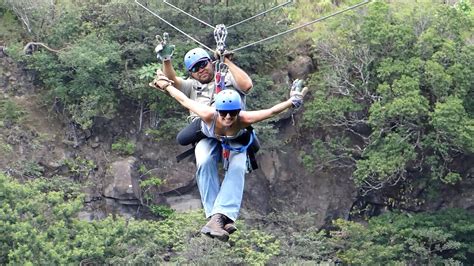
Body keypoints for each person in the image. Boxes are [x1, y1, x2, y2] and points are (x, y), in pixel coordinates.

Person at [150, 70, 308, 242]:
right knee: (204, 161)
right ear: (217, 110)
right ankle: (215, 218)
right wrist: (166, 86)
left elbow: (271, 112)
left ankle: (222, 216)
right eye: (224, 113)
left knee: (238, 168)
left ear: (238, 111)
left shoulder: (244, 118)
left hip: (237, 141)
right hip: (208, 137)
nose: (228, 117)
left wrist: (292, 101)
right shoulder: (207, 114)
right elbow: (184, 100)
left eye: (232, 113)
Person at [155, 37, 253, 146]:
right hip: (205, 132)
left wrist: (226, 61)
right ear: (191, 74)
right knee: (204, 160)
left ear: (211, 62)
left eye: (203, 64)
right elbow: (172, 82)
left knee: (237, 163)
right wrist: (166, 59)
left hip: (233, 126)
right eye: (195, 69)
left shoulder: (228, 77)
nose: (201, 70)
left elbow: (247, 85)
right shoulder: (191, 86)